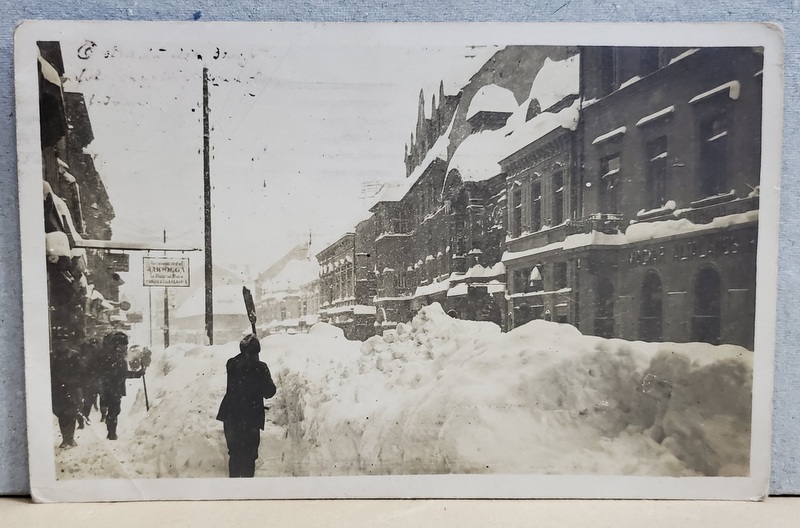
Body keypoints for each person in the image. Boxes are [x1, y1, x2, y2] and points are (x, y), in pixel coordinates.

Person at [216, 334, 277, 478]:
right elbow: (269, 392)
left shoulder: (231, 363)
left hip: (231, 417)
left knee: (235, 455)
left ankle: (234, 490)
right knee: (249, 458)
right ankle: (247, 490)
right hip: (251, 418)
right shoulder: (260, 368)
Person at [98, 331, 144, 440]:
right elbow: (121, 373)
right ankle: (111, 433)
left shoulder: (111, 355)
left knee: (113, 410)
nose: (125, 347)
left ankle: (111, 431)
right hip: (112, 387)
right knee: (114, 410)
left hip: (108, 387)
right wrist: (136, 374)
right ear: (117, 345)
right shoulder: (115, 357)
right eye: (124, 345)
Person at [50, 343, 83, 448]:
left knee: (72, 413)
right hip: (58, 389)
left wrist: (74, 383)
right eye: (59, 341)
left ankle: (71, 438)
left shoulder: (74, 355)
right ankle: (65, 439)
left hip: (71, 388)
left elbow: (79, 372)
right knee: (61, 414)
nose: (61, 344)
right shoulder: (53, 356)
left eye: (64, 341)